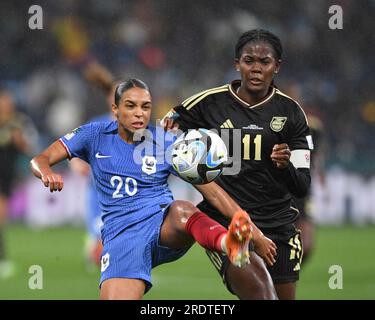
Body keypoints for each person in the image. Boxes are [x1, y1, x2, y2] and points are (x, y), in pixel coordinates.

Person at [29, 79, 270, 300]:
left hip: (163, 225)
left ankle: (229, 243)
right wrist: (47, 173)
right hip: (123, 237)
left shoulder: (166, 142)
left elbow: (214, 192)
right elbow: (39, 159)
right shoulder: (93, 135)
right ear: (115, 110)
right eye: (131, 106)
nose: (139, 114)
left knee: (182, 209)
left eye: (145, 107)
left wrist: (255, 233)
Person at [163, 29, 313, 299]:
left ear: (276, 67)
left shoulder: (291, 113)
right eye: (249, 61)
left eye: (264, 62)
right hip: (226, 223)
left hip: (278, 227)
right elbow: (166, 129)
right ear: (237, 64)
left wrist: (286, 164)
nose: (256, 69)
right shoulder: (208, 103)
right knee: (260, 294)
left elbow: (302, 186)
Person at [0, 89, 36, 278]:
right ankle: (2, 261)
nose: (5, 105)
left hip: (6, 178)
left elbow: (30, 148)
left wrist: (19, 139)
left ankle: (2, 261)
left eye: (8, 101)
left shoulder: (19, 122)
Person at [294, 111, 324, 263]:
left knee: (307, 244)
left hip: (304, 191)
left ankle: (288, 271)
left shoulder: (311, 125)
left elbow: (316, 155)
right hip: (281, 190)